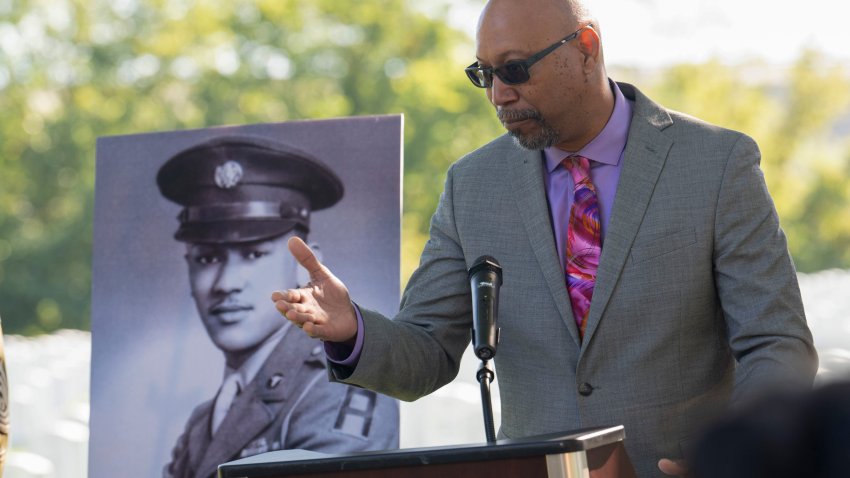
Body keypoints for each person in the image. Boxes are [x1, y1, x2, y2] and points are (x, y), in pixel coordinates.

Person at [271, 1, 818, 476]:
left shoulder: (717, 164)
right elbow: (428, 354)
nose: (499, 95)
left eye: (514, 69)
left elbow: (775, 343)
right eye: (483, 74)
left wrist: (737, 458)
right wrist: (352, 330)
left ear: (586, 47)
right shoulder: (472, 184)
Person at [156, 135, 399, 478]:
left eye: (254, 254)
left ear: (304, 265)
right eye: (207, 258)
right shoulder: (203, 422)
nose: (226, 283)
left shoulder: (340, 387)